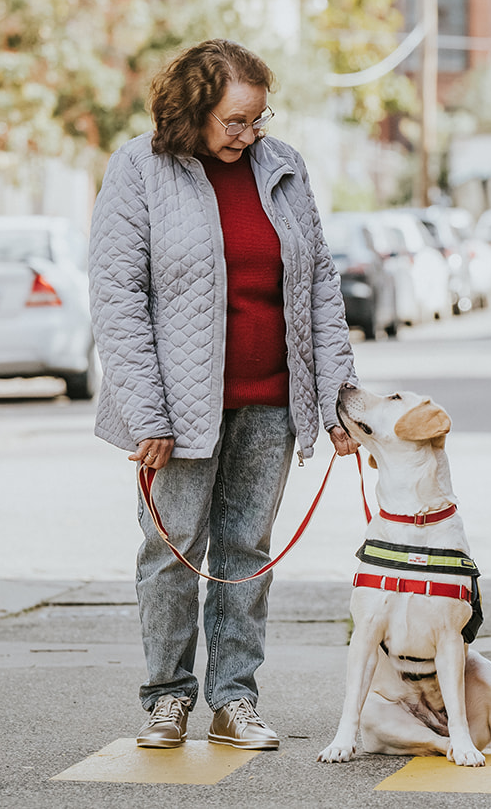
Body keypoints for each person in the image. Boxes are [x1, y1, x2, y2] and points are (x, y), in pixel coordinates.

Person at [89, 39, 361, 752]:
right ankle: (166, 697)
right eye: (235, 121)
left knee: (247, 549)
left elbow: (319, 285)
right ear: (194, 112)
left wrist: (337, 394)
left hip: (272, 397)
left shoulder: (282, 166)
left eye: (257, 116)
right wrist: (146, 412)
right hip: (176, 413)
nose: (250, 133)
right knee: (172, 549)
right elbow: (118, 299)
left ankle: (234, 698)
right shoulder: (139, 171)